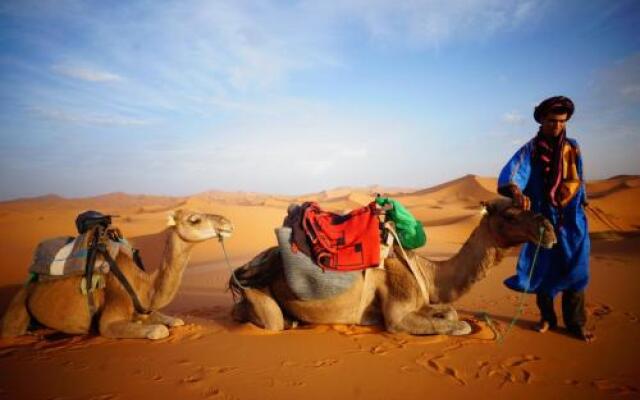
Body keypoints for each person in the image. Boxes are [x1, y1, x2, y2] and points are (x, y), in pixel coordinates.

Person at [497, 96, 594, 342]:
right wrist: (516, 191)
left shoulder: (573, 147)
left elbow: (578, 177)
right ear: (541, 120)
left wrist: (582, 199)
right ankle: (547, 318)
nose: (557, 126)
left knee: (577, 269)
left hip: (572, 220)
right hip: (543, 218)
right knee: (541, 269)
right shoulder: (530, 150)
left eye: (562, 121)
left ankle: (576, 324)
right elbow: (514, 173)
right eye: (552, 121)